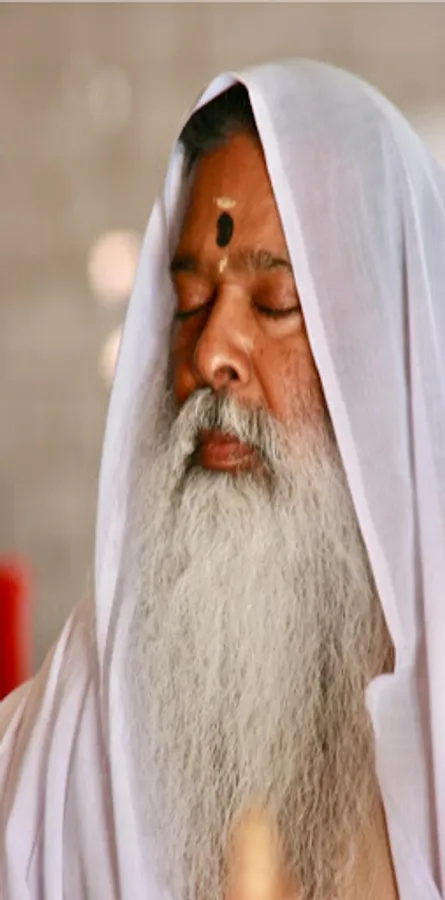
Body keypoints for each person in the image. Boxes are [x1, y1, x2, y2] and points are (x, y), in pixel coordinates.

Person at [0, 59, 444, 900]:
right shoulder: (81, 714)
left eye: (273, 302)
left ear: (380, 357)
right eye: (191, 303)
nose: (211, 355)